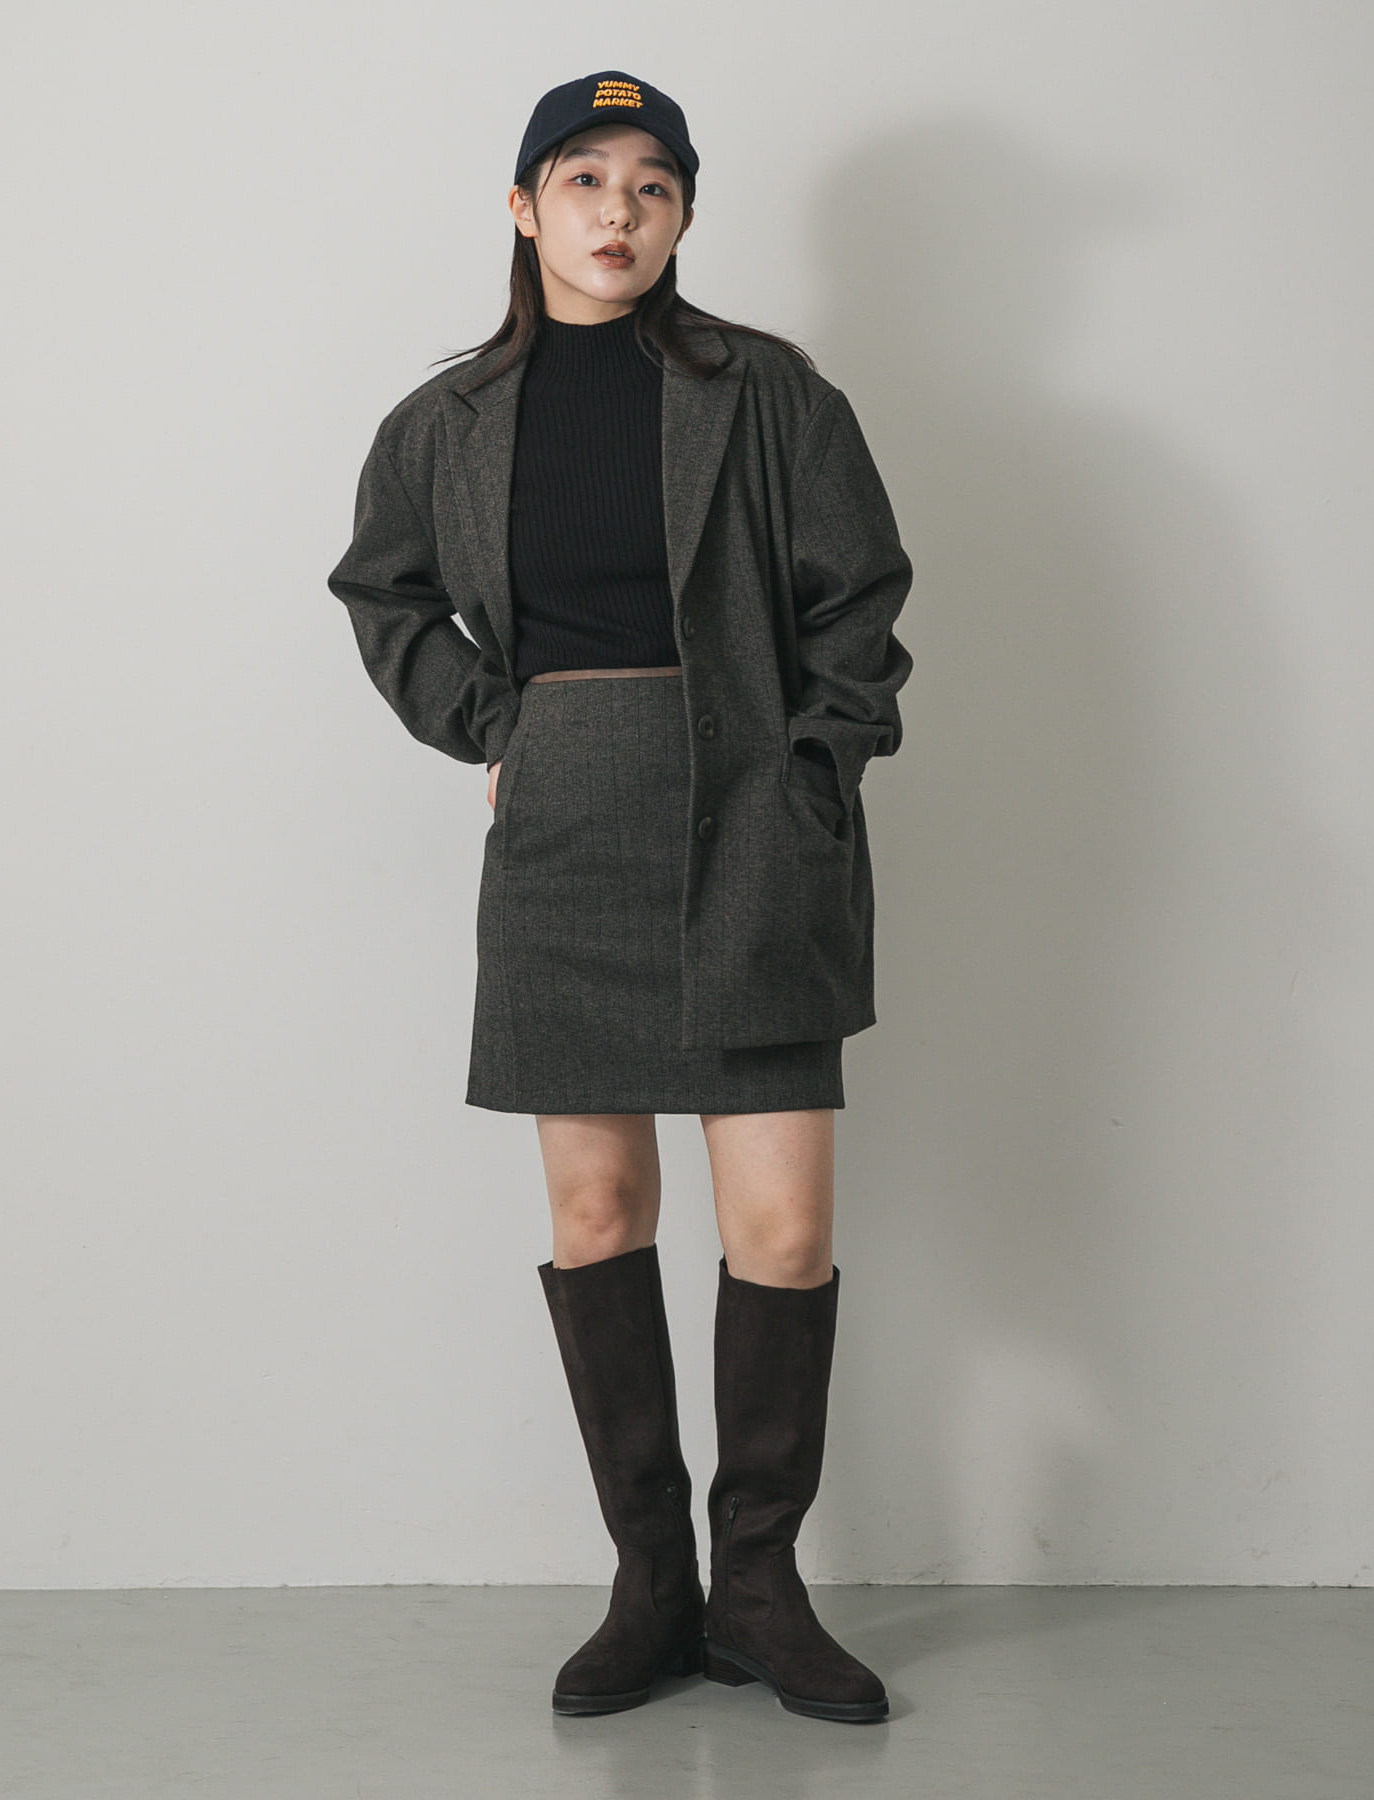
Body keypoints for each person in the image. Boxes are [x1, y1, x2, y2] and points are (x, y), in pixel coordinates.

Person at [326, 69, 913, 1726]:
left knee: (784, 1230)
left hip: (754, 824)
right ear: (525, 208)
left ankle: (759, 1592)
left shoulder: (770, 393)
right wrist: (495, 725)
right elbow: (384, 593)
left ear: (683, 217)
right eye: (584, 179)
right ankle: (652, 1586)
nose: (618, 211)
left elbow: (862, 600)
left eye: (653, 185)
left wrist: (813, 775)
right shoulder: (445, 423)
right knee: (597, 1215)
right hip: (567, 831)